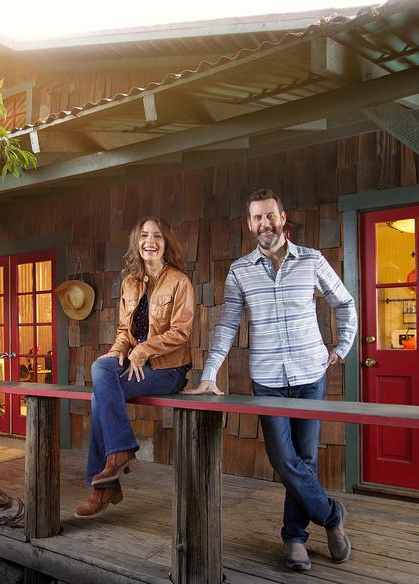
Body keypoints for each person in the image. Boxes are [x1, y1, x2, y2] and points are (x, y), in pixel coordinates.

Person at [182, 189, 357, 570]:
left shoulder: (311, 260)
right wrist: (210, 373)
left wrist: (341, 348)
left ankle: (294, 537)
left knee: (305, 459)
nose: (265, 224)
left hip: (311, 375)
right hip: (269, 381)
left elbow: (344, 302)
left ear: (283, 216)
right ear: (250, 224)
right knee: (284, 460)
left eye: (270, 216)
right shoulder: (240, 271)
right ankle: (331, 514)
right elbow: (228, 323)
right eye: (257, 218)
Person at [74, 217, 194, 519]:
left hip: (168, 370)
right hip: (134, 365)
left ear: (166, 243)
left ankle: (102, 487)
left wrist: (143, 350)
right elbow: (123, 332)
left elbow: (181, 332)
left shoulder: (179, 282)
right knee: (101, 369)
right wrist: (117, 354)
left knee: (98, 396)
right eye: (143, 236)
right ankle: (118, 456)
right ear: (136, 242)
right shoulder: (130, 283)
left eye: (157, 236)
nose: (149, 241)